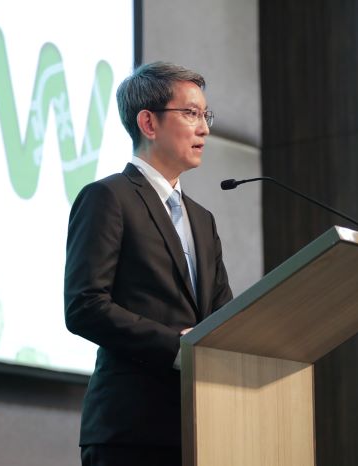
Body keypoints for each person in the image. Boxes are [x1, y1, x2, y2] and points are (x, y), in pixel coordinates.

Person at [64, 62, 232, 466]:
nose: (204, 129)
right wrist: (177, 347)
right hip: (130, 431)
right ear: (148, 123)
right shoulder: (108, 197)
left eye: (205, 115)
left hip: (202, 429)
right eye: (190, 113)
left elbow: (224, 315)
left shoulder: (202, 219)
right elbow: (84, 306)